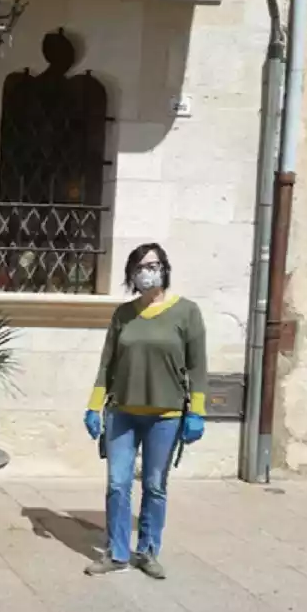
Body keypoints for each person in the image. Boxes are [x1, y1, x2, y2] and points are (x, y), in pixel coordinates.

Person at [82, 242, 207, 579]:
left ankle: (148, 551)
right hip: (122, 412)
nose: (145, 271)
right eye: (139, 266)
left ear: (164, 268)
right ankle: (117, 552)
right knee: (118, 484)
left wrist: (196, 412)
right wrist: (94, 407)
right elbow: (107, 364)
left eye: (152, 265)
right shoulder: (123, 314)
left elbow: (198, 367)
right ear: (131, 274)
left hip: (165, 416)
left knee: (154, 485)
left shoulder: (187, 312)